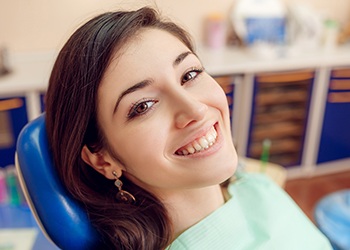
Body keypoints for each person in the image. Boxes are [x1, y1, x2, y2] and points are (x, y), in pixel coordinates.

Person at [45, 6, 332, 250]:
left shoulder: (252, 186)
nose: (195, 109)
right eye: (143, 105)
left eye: (189, 74)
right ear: (102, 159)